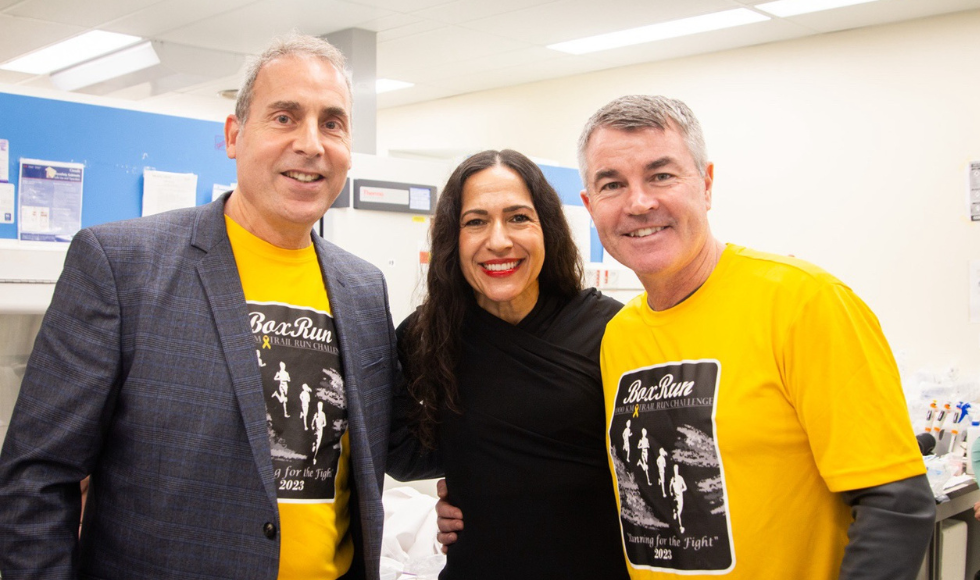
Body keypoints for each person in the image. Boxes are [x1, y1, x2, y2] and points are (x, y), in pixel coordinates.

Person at [0, 33, 398, 580]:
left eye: (332, 123)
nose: (311, 143)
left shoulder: (364, 290)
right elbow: (36, 481)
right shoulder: (123, 267)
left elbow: (396, 440)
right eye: (284, 117)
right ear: (235, 135)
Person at [576, 95, 936, 579]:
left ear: (705, 185)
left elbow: (895, 503)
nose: (639, 202)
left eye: (661, 175)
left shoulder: (803, 302)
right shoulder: (619, 335)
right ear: (590, 205)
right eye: (612, 184)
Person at [387, 149, 629, 580]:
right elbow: (406, 454)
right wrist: (470, 481)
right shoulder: (427, 335)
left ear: (547, 230)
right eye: (476, 221)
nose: (498, 240)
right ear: (452, 238)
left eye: (518, 217)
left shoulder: (610, 329)